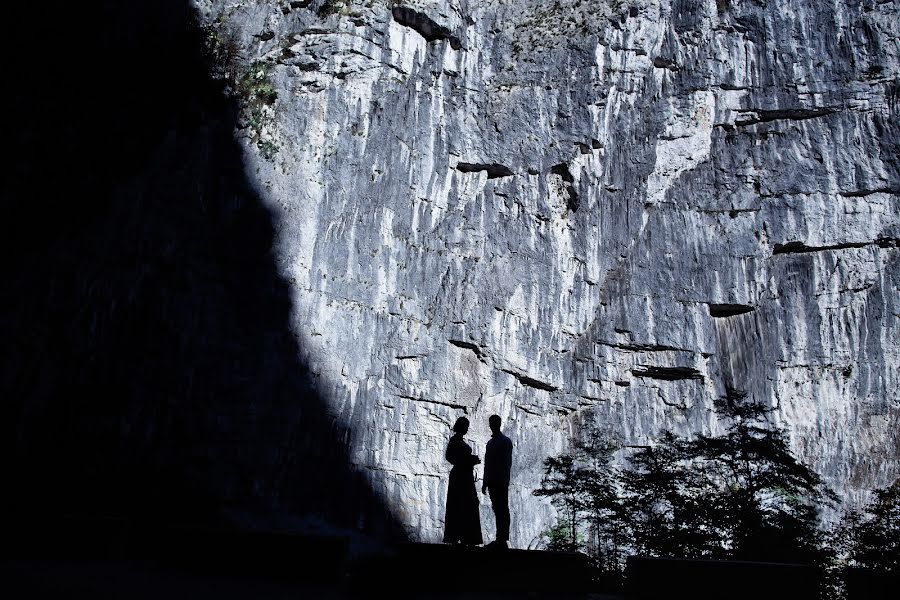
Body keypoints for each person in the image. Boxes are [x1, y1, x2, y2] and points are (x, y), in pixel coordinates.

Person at [442, 416, 483, 546]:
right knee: (461, 504)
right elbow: (450, 457)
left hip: (464, 475)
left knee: (465, 504)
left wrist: (469, 460)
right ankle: (460, 536)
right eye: (465, 426)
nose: (467, 429)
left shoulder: (457, 440)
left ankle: (466, 536)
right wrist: (469, 460)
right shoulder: (454, 440)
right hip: (461, 476)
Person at [482, 414, 513, 549]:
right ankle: (500, 537)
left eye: (494, 423)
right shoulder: (491, 443)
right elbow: (487, 464)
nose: (492, 425)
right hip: (493, 481)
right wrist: (485, 482)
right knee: (497, 509)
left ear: (498, 424)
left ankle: (502, 538)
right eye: (491, 423)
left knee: (502, 509)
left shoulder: (505, 441)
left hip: (500, 480)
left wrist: (505, 479)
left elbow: (507, 463)